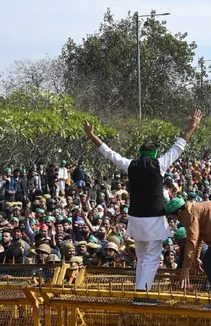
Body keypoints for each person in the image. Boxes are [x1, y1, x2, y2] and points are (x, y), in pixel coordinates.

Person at [83, 110, 202, 305]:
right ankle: (142, 295)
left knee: (141, 257)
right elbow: (178, 147)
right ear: (154, 153)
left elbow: (109, 153)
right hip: (154, 220)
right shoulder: (160, 164)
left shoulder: (131, 165)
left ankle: (140, 292)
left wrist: (92, 135)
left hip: (136, 220)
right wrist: (191, 128)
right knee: (153, 258)